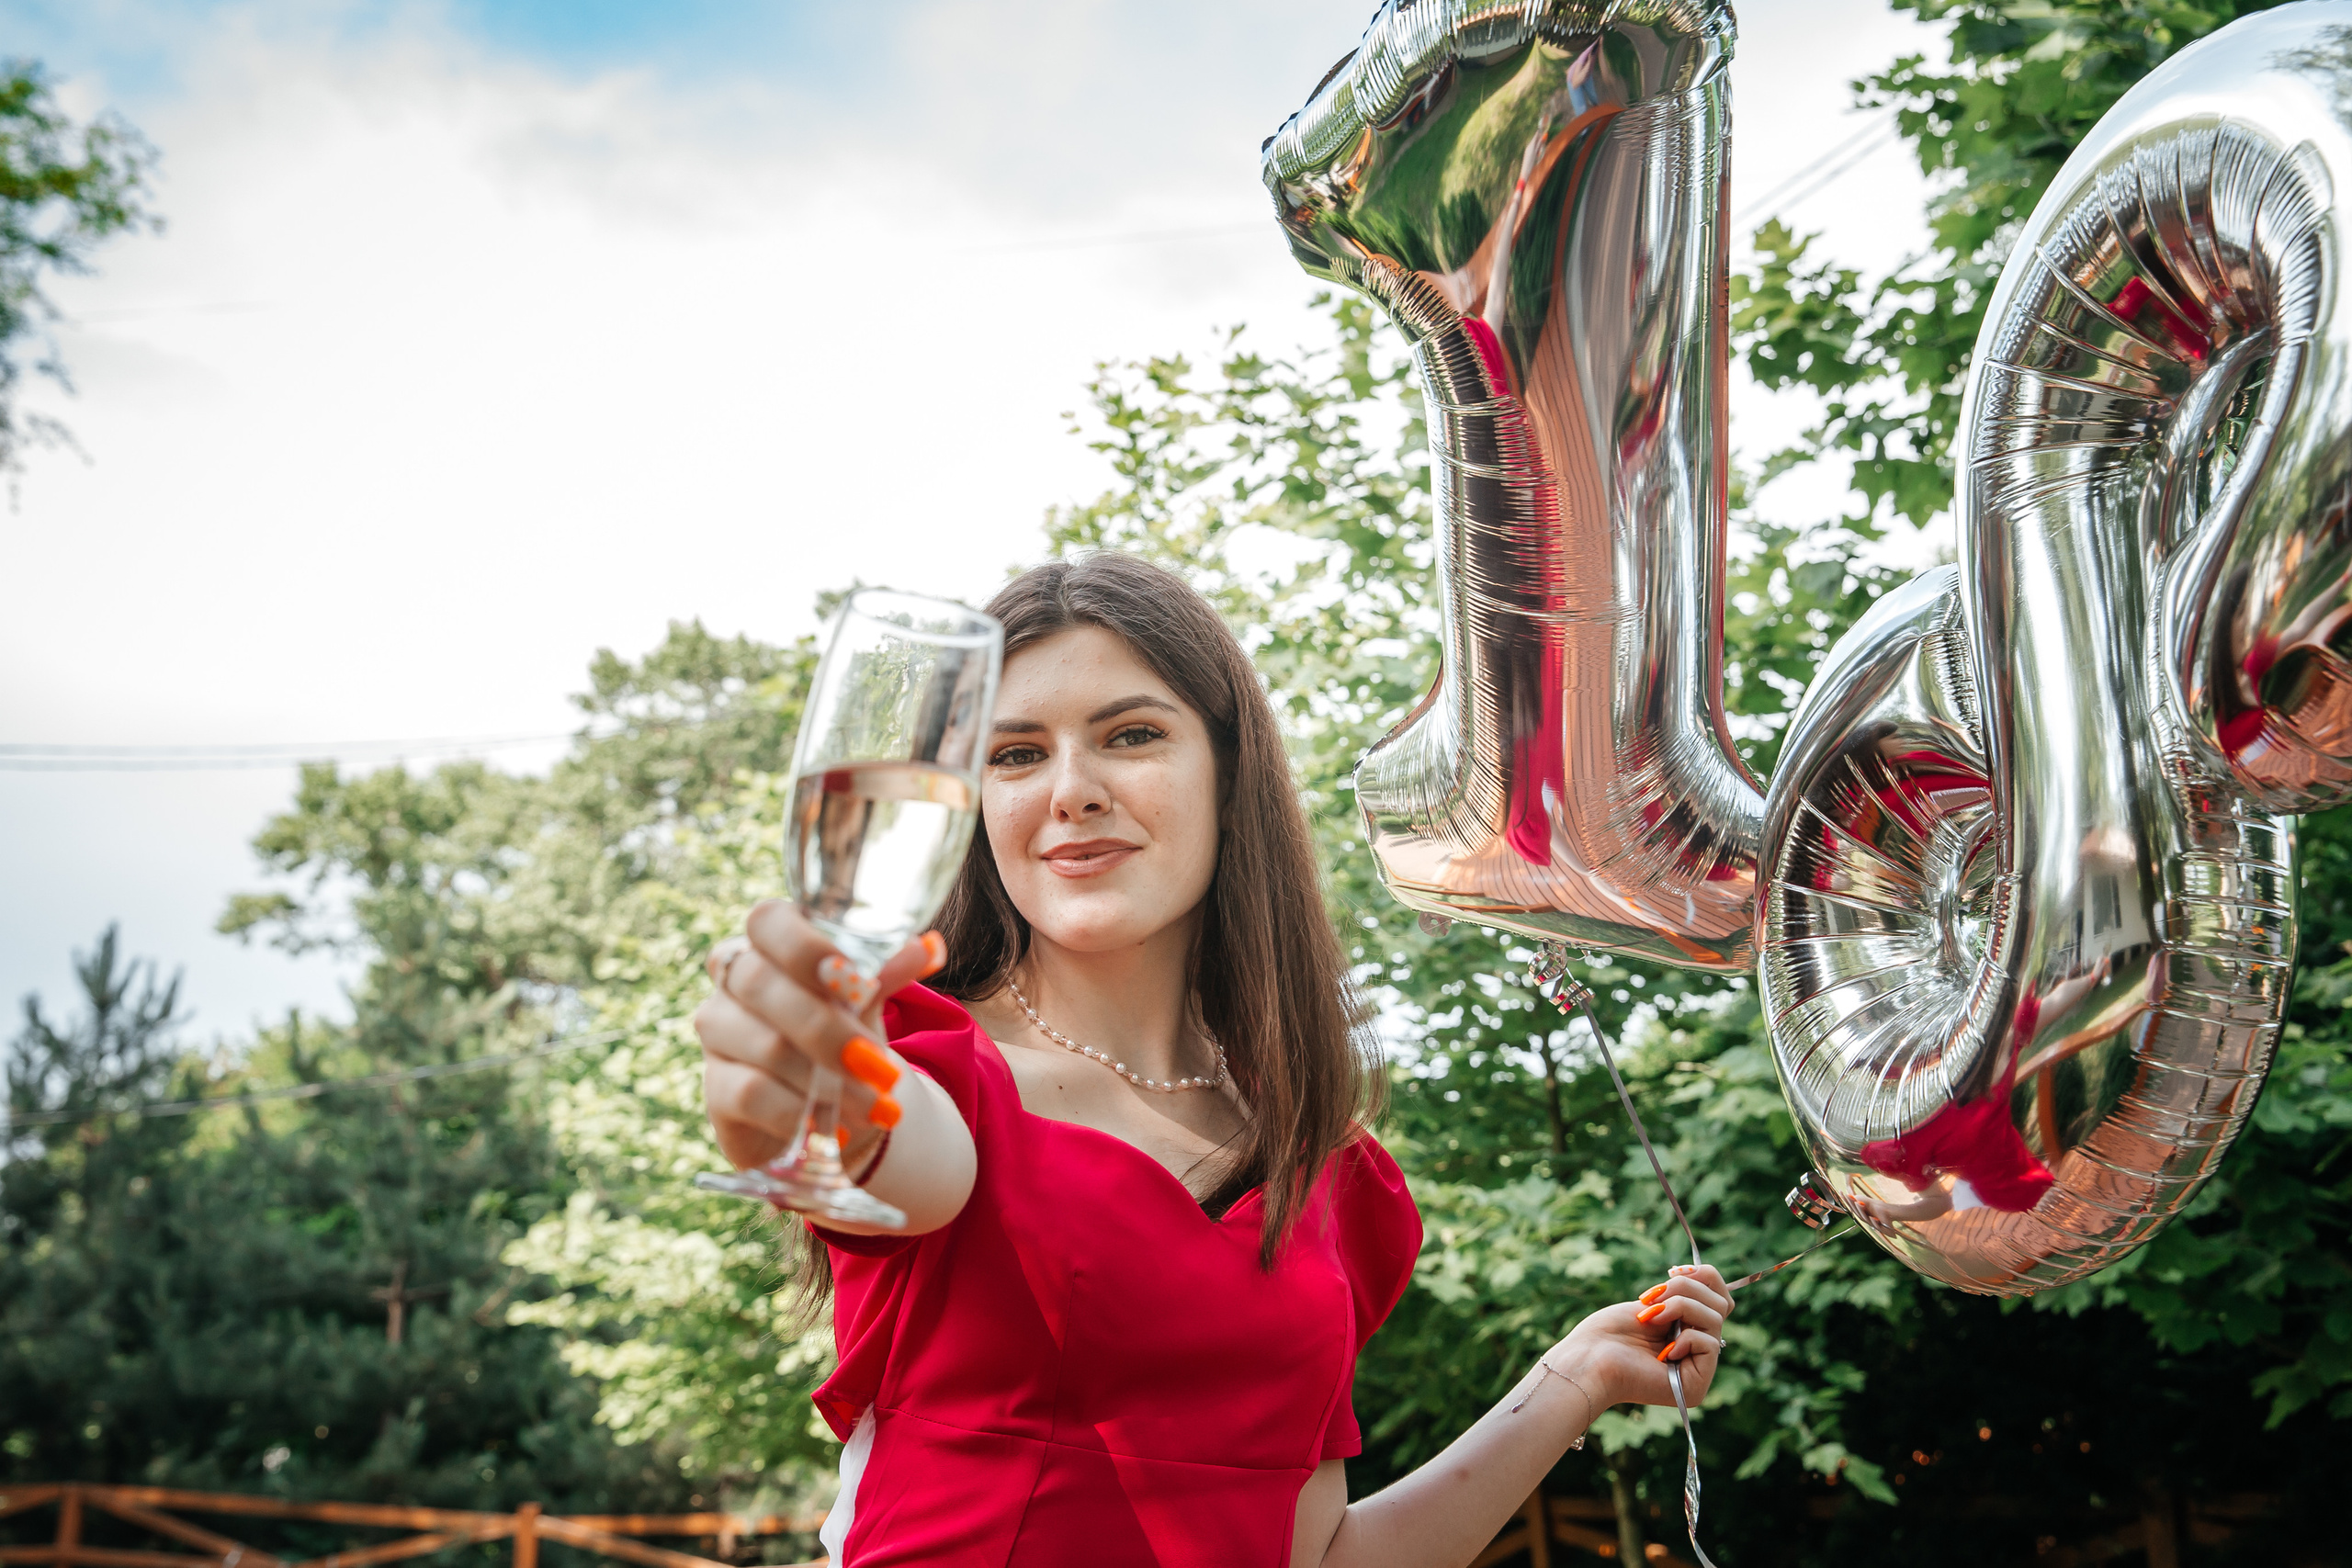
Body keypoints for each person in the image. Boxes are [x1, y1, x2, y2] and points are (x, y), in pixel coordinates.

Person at [695, 552, 1734, 1568]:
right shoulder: (934, 1074)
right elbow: (875, 1144)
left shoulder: (1325, 1171)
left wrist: (1573, 1379)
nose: (1071, 791)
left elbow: (1317, 1556)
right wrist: (794, 1084)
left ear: (1229, 775)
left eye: (1130, 735)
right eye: (1014, 755)